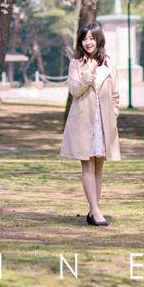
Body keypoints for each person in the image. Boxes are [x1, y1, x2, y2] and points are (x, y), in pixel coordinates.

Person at [59, 22, 121, 226]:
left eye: (91, 38)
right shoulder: (76, 63)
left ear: (98, 39)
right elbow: (74, 90)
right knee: (87, 164)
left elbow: (115, 95)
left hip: (103, 121)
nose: (88, 42)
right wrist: (90, 70)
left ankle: (93, 209)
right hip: (83, 121)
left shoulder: (110, 63)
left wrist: (114, 114)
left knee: (99, 168)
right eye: (84, 39)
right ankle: (95, 211)